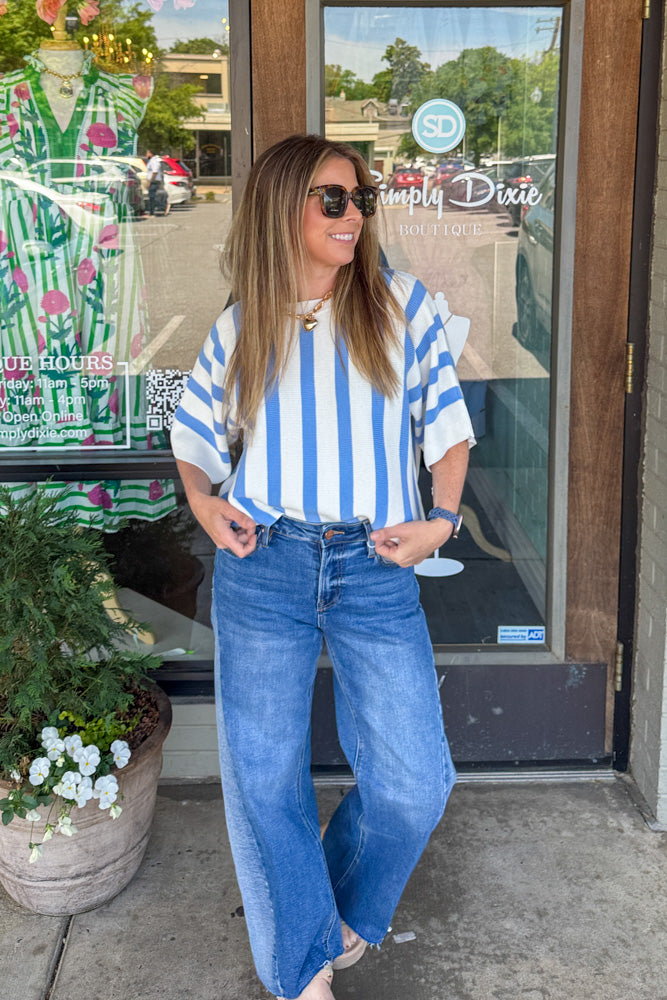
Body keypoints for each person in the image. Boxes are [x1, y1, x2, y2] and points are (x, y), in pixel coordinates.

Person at [171, 134, 475, 1000]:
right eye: (331, 200)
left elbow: (447, 431)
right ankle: (304, 967)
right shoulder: (246, 323)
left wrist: (440, 522)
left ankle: (338, 918)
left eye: (359, 199)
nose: (353, 215)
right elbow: (193, 440)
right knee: (265, 778)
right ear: (283, 209)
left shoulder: (399, 306)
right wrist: (202, 504)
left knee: (416, 781)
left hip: (373, 564)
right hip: (265, 562)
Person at [145, 149, 165, 215]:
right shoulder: (152, 160)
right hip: (153, 181)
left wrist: (149, 181)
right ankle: (152, 211)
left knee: (152, 197)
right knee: (152, 197)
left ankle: (154, 211)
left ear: (151, 153)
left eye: (147, 153)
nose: (146, 155)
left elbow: (155, 172)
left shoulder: (154, 161)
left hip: (154, 181)